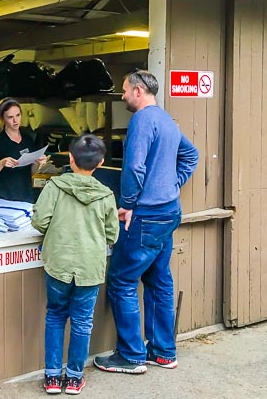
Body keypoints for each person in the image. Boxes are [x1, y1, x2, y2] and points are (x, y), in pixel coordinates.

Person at [94, 69, 199, 374]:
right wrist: (170, 184)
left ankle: (131, 356)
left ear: (138, 91)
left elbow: (134, 168)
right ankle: (163, 353)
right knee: (159, 280)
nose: (123, 95)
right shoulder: (166, 118)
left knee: (122, 281)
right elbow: (191, 155)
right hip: (168, 213)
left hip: (145, 216)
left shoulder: (140, 120)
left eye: (125, 90)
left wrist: (127, 204)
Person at [32, 134, 119, 395]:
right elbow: (112, 234)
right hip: (89, 268)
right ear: (101, 163)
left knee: (56, 316)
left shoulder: (55, 187)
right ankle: (73, 378)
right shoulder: (106, 196)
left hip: (58, 264)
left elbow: (39, 222)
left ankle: (51, 377)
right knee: (82, 322)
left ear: (70, 158)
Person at [0, 98, 46, 203]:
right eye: (10, 117)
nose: (15, 121)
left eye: (18, 115)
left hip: (25, 196)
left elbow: (31, 172)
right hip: (4, 198)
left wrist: (38, 162)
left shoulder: (28, 139)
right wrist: (2, 163)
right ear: (3, 118)